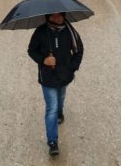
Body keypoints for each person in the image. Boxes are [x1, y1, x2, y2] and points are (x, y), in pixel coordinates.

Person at [28, 12, 83, 156]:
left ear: (64, 16)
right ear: (47, 17)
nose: (56, 18)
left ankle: (61, 112)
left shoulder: (70, 31)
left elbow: (79, 51)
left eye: (59, 16)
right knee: (51, 108)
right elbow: (31, 50)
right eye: (53, 16)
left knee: (61, 97)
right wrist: (43, 60)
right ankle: (52, 142)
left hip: (65, 76)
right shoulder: (40, 32)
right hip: (48, 78)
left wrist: (72, 67)